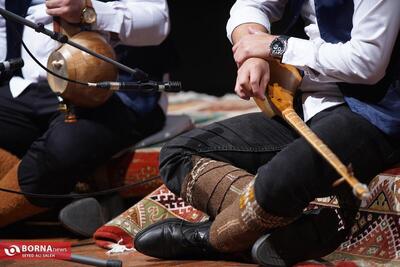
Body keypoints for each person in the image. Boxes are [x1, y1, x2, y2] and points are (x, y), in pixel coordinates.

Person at [133, 0, 400, 265]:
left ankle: (210, 239)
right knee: (178, 154)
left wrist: (277, 46)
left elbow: (367, 62)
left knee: (277, 180)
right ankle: (284, 233)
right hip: (305, 102)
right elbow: (249, 6)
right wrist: (254, 54)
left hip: (370, 111)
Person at [0, 0, 169, 227]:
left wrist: (89, 9)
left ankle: (28, 206)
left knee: (63, 148)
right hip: (23, 86)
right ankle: (70, 201)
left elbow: (158, 21)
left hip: (110, 90)